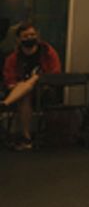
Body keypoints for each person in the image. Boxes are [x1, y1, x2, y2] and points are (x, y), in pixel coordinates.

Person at [2, 22, 62, 151]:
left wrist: (37, 80)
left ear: (37, 36)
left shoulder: (47, 52)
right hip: (20, 92)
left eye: (32, 34)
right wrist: (17, 85)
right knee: (25, 92)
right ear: (19, 39)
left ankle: (5, 104)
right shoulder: (13, 58)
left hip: (44, 90)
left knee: (34, 79)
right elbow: (9, 79)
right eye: (26, 36)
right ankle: (26, 137)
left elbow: (55, 72)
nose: (30, 38)